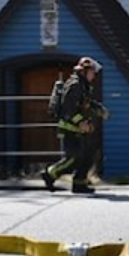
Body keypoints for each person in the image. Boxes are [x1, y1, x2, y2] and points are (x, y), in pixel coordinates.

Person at [42, 56, 110, 194]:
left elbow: (86, 104)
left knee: (87, 156)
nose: (94, 75)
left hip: (80, 128)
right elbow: (68, 109)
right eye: (92, 72)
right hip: (70, 128)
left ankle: (80, 184)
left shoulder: (84, 86)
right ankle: (50, 173)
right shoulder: (75, 85)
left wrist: (99, 109)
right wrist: (80, 122)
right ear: (84, 71)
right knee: (74, 158)